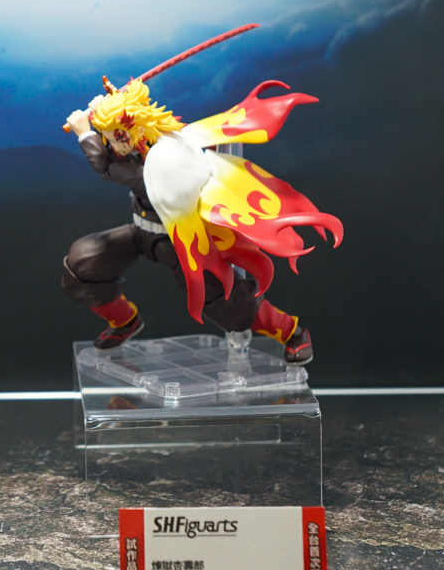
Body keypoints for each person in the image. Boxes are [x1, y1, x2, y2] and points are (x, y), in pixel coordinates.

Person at [63, 79, 342, 364]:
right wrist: (107, 109)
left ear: (136, 131)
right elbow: (117, 150)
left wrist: (86, 134)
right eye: (108, 138)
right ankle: (125, 321)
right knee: (83, 262)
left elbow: (107, 168)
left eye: (114, 137)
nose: (110, 144)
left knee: (226, 303)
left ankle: (292, 332)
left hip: (178, 239)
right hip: (141, 232)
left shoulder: (167, 158)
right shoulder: (134, 141)